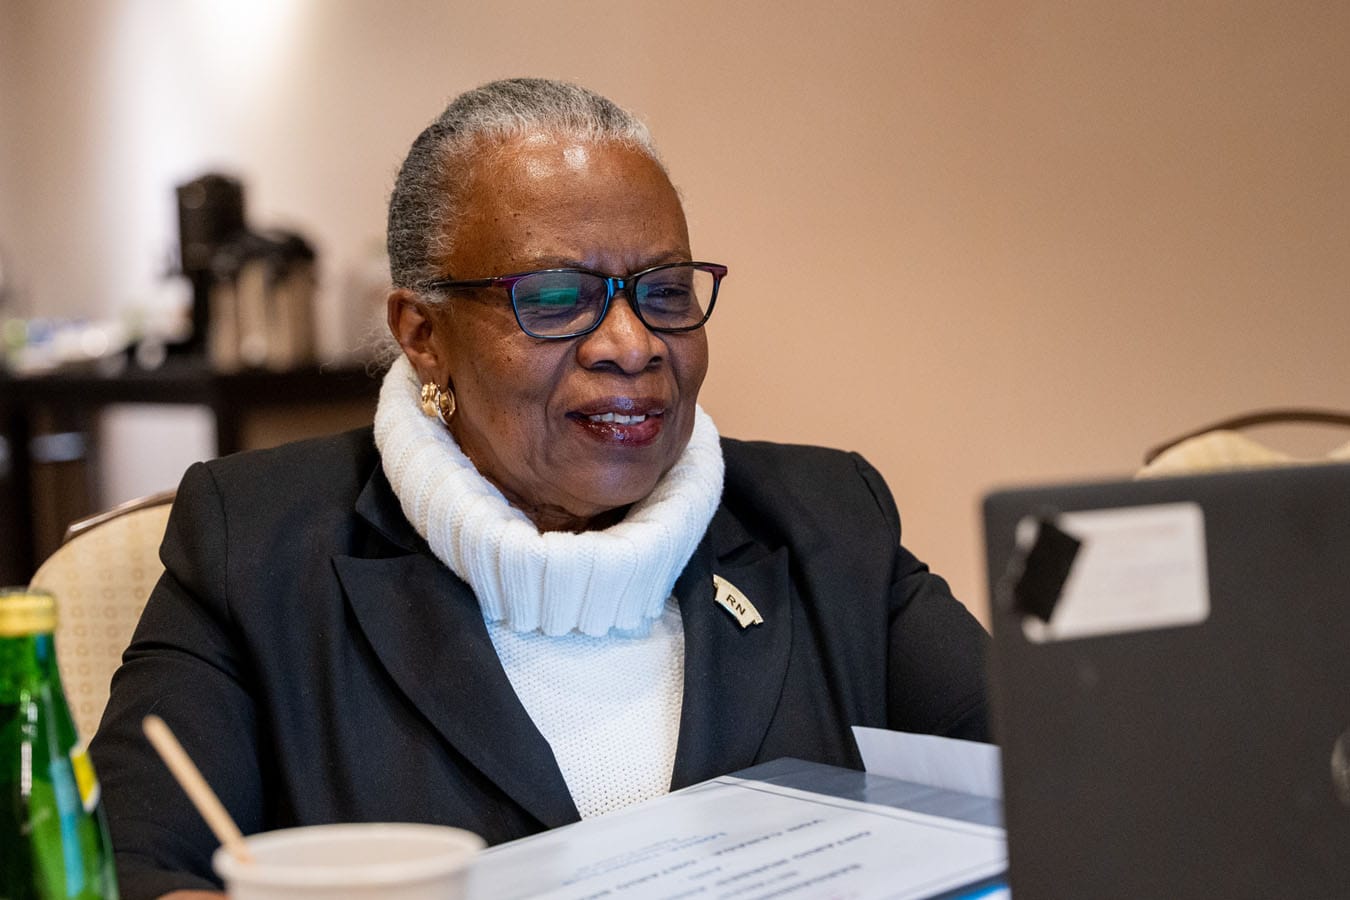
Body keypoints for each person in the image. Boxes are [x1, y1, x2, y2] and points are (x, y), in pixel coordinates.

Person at [89, 78, 990, 900]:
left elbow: (1056, 774)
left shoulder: (830, 522)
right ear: (423, 333)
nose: (632, 343)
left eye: (666, 291)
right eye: (557, 298)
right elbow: (125, 868)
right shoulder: (255, 543)